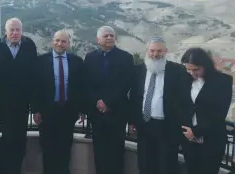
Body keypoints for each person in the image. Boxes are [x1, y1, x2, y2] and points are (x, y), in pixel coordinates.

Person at [128, 36, 186, 174]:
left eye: (159, 51)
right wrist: (132, 120)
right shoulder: (138, 70)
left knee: (166, 166)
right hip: (144, 125)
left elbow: (183, 100)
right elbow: (135, 97)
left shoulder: (178, 71)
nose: (155, 54)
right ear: (147, 51)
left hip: (167, 128)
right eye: (152, 51)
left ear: (166, 51)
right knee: (145, 164)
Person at [0, 18, 38, 174]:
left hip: (23, 103)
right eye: (12, 30)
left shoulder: (29, 45)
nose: (15, 33)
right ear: (5, 31)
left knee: (20, 141)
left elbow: (33, 76)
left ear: (21, 31)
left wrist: (35, 106)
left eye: (18, 30)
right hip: (3, 103)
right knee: (8, 139)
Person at [32, 30, 84, 174]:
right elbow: (35, 87)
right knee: (48, 149)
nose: (60, 44)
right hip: (47, 112)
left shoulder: (77, 61)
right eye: (57, 40)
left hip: (68, 111)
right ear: (52, 41)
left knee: (65, 148)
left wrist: (81, 110)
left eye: (63, 41)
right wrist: (36, 110)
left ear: (68, 44)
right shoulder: (40, 61)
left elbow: (81, 87)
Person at [82, 26, 134, 174]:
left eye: (112, 35)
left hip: (116, 112)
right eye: (106, 36)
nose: (110, 38)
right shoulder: (90, 58)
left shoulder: (126, 58)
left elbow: (125, 84)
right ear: (98, 39)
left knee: (117, 151)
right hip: (97, 114)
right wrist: (97, 102)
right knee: (99, 152)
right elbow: (86, 83)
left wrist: (108, 102)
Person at [179, 47, 233, 174]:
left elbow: (219, 113)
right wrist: (186, 131)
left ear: (206, 66)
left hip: (211, 140)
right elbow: (180, 105)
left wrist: (196, 132)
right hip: (188, 141)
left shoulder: (223, 81)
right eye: (188, 69)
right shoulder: (184, 79)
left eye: (196, 69)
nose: (192, 73)